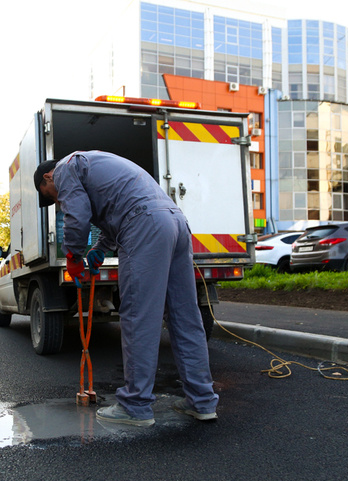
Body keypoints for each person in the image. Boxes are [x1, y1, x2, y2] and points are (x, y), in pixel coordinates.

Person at [34, 151, 218, 426]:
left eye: (49, 195)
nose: (56, 201)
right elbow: (117, 215)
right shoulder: (99, 167)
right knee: (185, 317)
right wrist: (98, 250)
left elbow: (78, 213)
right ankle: (202, 401)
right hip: (176, 224)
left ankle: (135, 405)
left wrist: (73, 255)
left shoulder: (65, 167)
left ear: (48, 176)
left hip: (146, 226)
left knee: (139, 316)